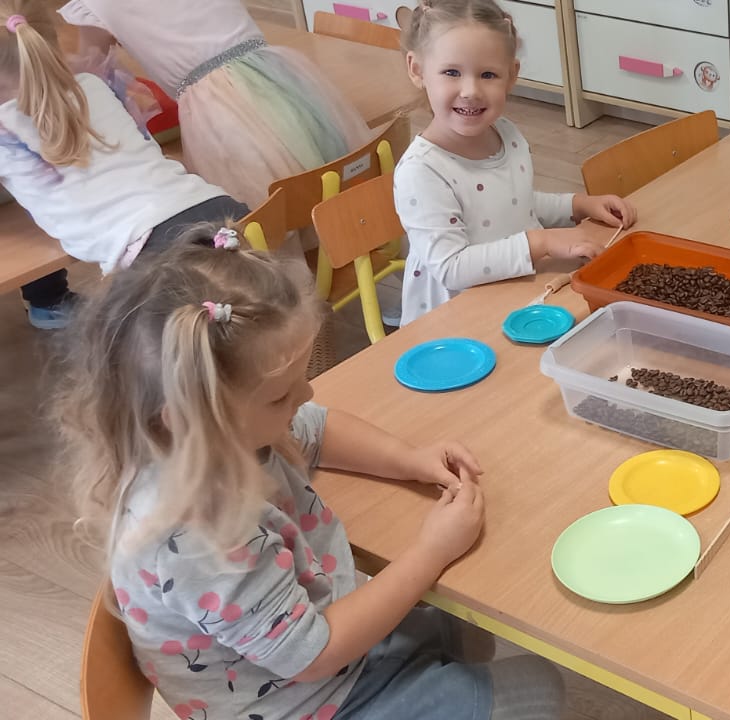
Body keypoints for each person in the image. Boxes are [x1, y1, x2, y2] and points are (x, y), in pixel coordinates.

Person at [61, 233, 563, 720]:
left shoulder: (223, 438)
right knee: (538, 686)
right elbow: (313, 654)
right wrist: (431, 551)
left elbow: (317, 429)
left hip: (330, 647)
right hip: (314, 701)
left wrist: (410, 459)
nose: (305, 395)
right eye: (280, 395)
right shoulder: (199, 538)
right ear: (191, 420)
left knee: (456, 622)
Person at [0, 1, 243, 329]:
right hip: (220, 207)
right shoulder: (95, 84)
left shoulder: (6, 131)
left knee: (180, 342)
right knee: (251, 312)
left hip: (156, 247)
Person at [394, 0, 633, 326]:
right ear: (417, 69)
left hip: (517, 296)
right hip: (454, 326)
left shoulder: (505, 133)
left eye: (488, 74)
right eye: (451, 72)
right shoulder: (421, 171)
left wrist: (577, 205)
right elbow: (451, 267)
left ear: (511, 75)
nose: (470, 91)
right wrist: (543, 242)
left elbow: (512, 203)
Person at [58, 0, 370, 207]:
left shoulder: (95, 4)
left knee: (261, 212)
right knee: (324, 177)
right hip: (283, 75)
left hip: (221, 109)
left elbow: (89, 67)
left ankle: (303, 277)